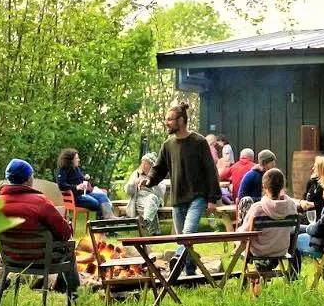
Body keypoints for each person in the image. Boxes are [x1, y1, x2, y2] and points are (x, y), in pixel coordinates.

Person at [139, 101, 222, 276]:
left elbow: (210, 171)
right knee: (184, 239)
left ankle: (176, 263)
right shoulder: (168, 145)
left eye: (170, 119)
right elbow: (159, 169)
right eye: (166, 119)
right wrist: (148, 180)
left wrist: (212, 199)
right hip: (177, 199)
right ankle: (190, 273)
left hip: (197, 197)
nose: (166, 122)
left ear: (181, 120)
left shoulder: (199, 142)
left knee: (187, 234)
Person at [0, 159, 78, 295]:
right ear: (28, 179)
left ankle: (62, 285)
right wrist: (67, 224)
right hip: (42, 260)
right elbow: (64, 233)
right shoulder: (41, 202)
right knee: (69, 248)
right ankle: (76, 296)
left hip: (11, 258)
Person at [237, 168, 298, 271]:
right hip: (281, 251)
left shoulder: (257, 209)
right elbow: (291, 229)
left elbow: (244, 234)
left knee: (245, 202)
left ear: (265, 188)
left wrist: (238, 232)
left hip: (259, 252)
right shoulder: (291, 206)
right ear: (282, 187)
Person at [56, 148, 116, 219]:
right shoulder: (63, 170)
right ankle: (103, 222)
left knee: (102, 196)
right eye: (77, 158)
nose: (79, 160)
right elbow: (61, 185)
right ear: (70, 160)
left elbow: (80, 181)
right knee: (97, 203)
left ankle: (110, 217)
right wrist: (76, 187)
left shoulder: (76, 169)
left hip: (84, 194)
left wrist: (85, 178)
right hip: (75, 198)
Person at [125, 152, 165, 235]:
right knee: (149, 206)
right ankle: (154, 231)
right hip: (139, 200)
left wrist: (151, 182)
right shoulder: (136, 174)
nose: (143, 166)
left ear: (152, 165)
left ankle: (146, 222)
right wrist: (133, 183)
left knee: (151, 199)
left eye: (146, 164)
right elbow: (128, 192)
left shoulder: (157, 174)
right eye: (142, 163)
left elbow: (161, 193)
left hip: (154, 198)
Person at [298, 155, 324, 220]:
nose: (313, 168)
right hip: (307, 216)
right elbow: (305, 196)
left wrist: (313, 204)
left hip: (320, 219)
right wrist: (302, 202)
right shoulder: (311, 181)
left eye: (315, 167)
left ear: (321, 169)